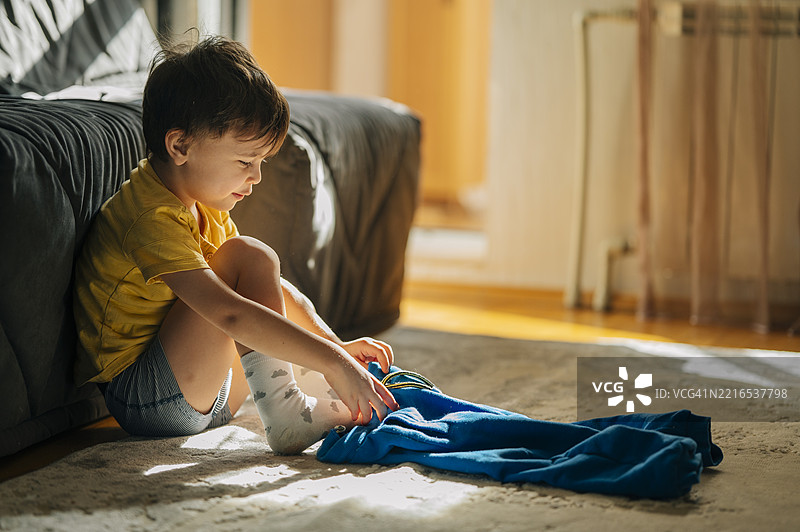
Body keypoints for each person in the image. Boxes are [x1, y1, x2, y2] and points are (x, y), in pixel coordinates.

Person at [72, 35, 398, 455]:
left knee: (257, 269)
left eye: (261, 163)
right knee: (250, 256)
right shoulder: (149, 216)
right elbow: (228, 312)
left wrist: (337, 348)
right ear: (180, 145)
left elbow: (272, 293)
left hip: (208, 391)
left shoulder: (202, 207)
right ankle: (285, 411)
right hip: (148, 402)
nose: (256, 177)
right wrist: (332, 362)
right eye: (246, 162)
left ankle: (295, 396)